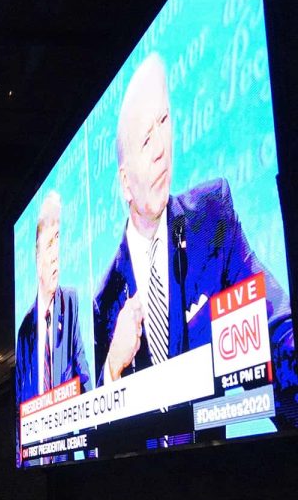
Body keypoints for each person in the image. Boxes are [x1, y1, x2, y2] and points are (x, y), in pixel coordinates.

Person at [94, 54, 295, 403]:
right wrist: (113, 365)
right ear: (125, 183)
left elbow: (275, 323)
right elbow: (99, 431)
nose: (161, 148)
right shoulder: (107, 296)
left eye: (164, 121)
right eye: (145, 140)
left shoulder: (211, 215)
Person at [15, 191, 92, 406]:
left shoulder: (69, 302)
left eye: (58, 241)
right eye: (50, 244)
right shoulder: (24, 331)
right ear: (37, 259)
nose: (56, 255)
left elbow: (83, 376)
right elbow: (20, 401)